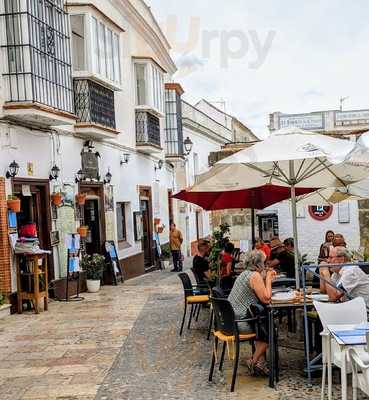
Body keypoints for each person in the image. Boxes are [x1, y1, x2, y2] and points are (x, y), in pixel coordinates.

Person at [228, 250, 276, 376]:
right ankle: (254, 361)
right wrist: (269, 279)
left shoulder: (245, 274)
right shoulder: (254, 276)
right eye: (264, 263)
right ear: (257, 265)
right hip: (241, 323)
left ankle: (261, 361)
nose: (266, 265)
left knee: (263, 321)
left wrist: (265, 277)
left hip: (231, 320)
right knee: (270, 329)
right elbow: (266, 298)